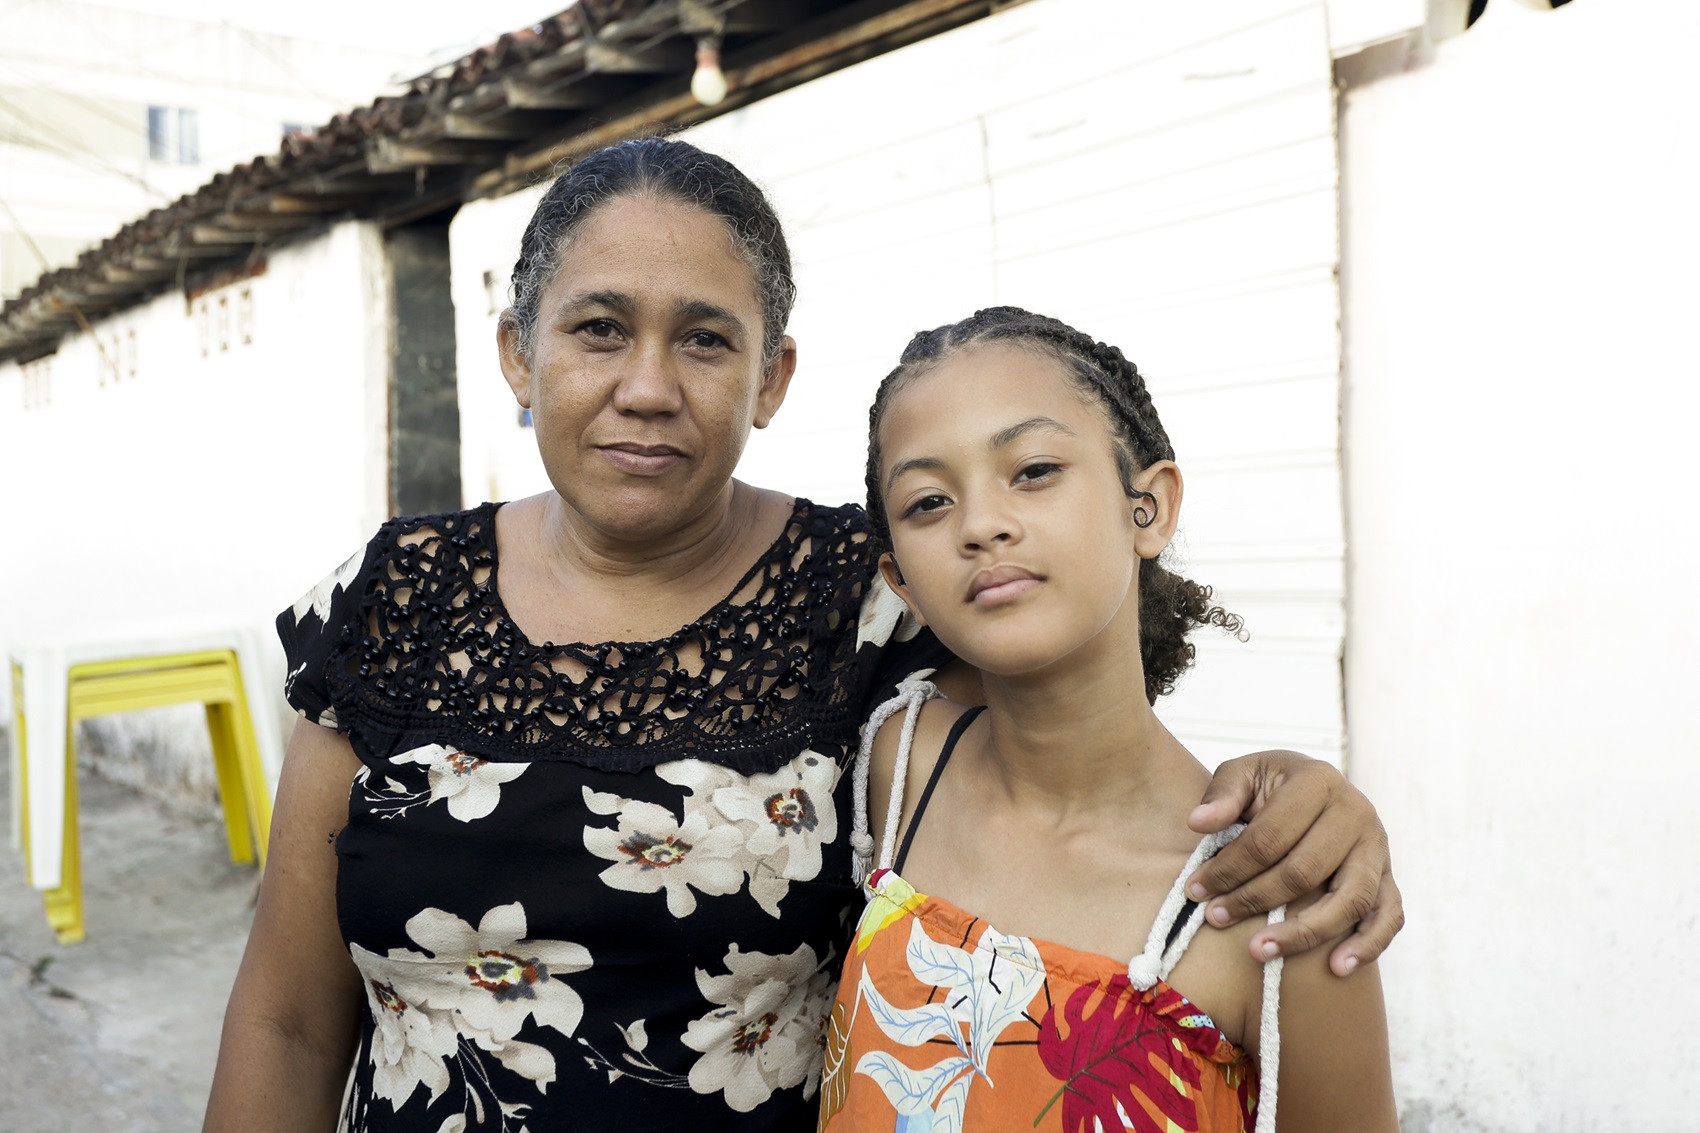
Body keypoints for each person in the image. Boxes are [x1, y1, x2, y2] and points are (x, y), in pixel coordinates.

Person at [202, 140, 1400, 1133]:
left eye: (707, 339)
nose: (649, 385)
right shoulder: (394, 596)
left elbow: (1075, 724)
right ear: (519, 352)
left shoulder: (868, 591)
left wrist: (1306, 796)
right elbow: (288, 1019)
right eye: (598, 329)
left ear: (770, 377)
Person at [819, 307, 1397, 1132]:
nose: (982, 524)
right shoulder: (901, 763)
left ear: (1150, 507)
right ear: (901, 582)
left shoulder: (1274, 902)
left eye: (1034, 468)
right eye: (929, 501)